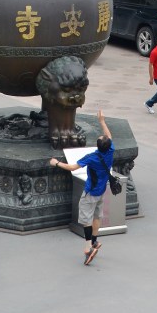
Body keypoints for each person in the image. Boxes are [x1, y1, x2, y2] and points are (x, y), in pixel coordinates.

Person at [49, 109, 114, 265]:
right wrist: (102, 121)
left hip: (90, 192)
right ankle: (95, 241)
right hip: (101, 190)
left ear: (98, 145)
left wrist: (56, 163)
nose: (103, 136)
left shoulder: (92, 157)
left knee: (86, 220)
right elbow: (109, 136)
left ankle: (88, 248)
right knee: (97, 216)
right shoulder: (110, 151)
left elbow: (72, 167)